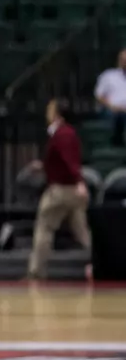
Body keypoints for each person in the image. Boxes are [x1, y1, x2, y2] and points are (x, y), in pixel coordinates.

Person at [28, 98, 92, 281]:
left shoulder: (61, 135)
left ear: (57, 114)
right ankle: (102, 264)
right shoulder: (70, 133)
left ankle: (36, 272)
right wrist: (42, 165)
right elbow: (62, 160)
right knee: (82, 231)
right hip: (74, 192)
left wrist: (79, 181)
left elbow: (69, 161)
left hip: (61, 191)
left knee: (44, 227)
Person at [95, 49, 126, 147]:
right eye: (123, 59)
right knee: (118, 116)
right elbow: (99, 96)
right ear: (119, 60)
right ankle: (117, 144)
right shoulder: (108, 75)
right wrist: (112, 107)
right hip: (111, 109)